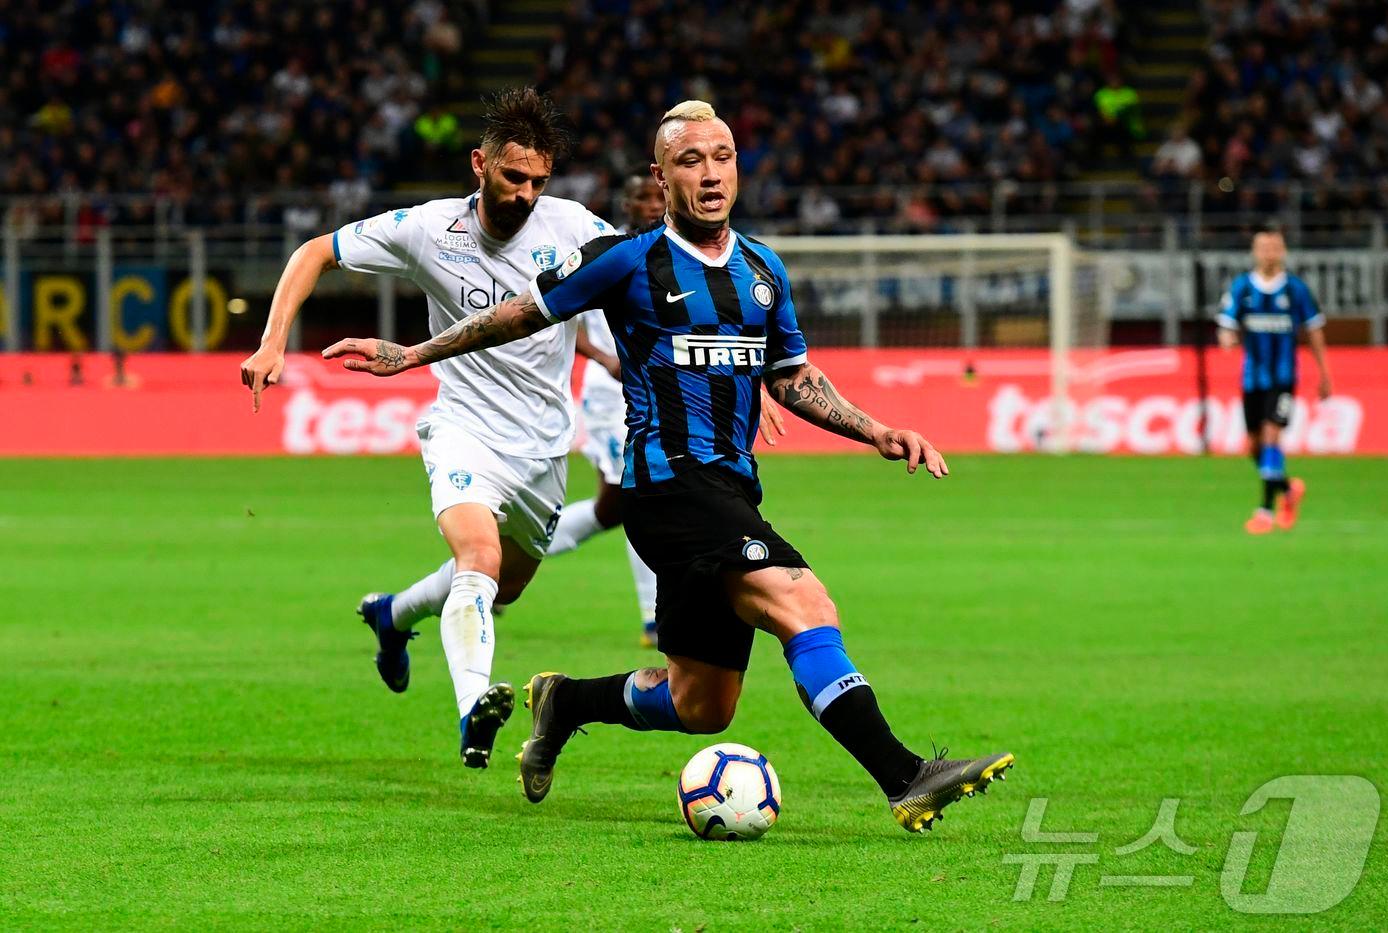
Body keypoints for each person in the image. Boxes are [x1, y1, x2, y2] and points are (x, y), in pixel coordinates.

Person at [323, 101, 1013, 833]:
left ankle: (565, 702)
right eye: (691, 160)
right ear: (663, 175)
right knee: (803, 604)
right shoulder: (627, 260)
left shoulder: (761, 269)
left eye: (723, 157)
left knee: (700, 703)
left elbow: (791, 375)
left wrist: (876, 429)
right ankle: (907, 775)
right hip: (667, 484)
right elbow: (516, 314)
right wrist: (413, 354)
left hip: (731, 486)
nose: (710, 173)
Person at [239, 87, 619, 772]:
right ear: (480, 164)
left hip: (543, 444)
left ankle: (392, 613)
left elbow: (646, 281)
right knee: (479, 555)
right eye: (513, 177)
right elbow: (312, 252)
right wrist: (273, 342)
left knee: (504, 586)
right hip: (464, 428)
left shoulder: (574, 227)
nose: (526, 193)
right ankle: (474, 703)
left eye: (538, 180)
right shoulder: (428, 229)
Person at [546, 162, 785, 647]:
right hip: (612, 395)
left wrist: (756, 382)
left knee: (612, 508)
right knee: (632, 498)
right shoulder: (611, 254)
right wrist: (604, 358)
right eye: (644, 202)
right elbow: (560, 320)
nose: (653, 208)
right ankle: (652, 616)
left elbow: (717, 336)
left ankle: (520, 548)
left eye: (657, 203)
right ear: (630, 203)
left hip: (667, 390)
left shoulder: (684, 254)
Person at [1217, 226, 1333, 534]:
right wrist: (1227, 337)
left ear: (1282, 251)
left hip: (1283, 378)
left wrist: (1324, 374)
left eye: (1274, 247)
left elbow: (1314, 332)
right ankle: (1288, 489)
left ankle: (1265, 512)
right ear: (1255, 251)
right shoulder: (1242, 287)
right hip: (1252, 379)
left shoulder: (1296, 289)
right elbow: (1226, 323)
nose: (1269, 253)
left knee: (1271, 436)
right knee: (1254, 447)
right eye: (1263, 248)